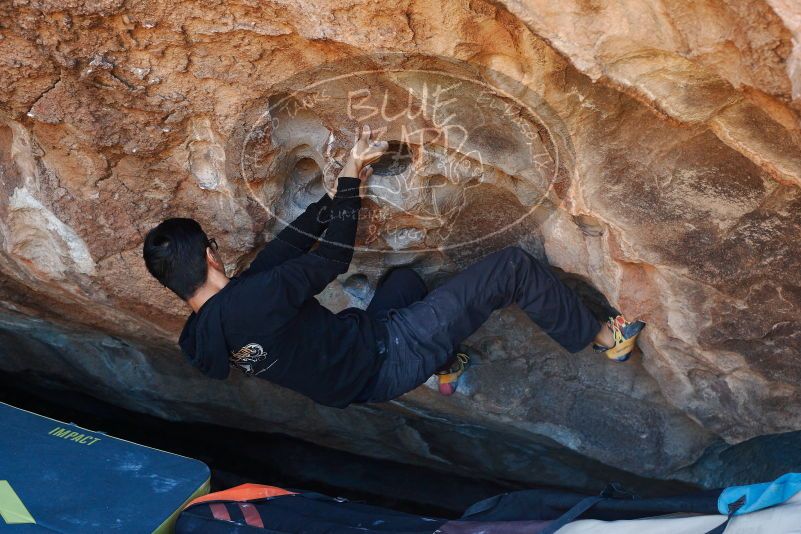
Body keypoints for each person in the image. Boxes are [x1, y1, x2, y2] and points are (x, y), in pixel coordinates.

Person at [143, 125, 645, 407]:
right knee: (511, 267)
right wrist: (351, 176)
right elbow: (335, 259)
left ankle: (446, 365)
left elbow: (285, 250)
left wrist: (334, 192)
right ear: (209, 254)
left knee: (403, 281)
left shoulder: (207, 332)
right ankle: (604, 337)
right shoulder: (252, 299)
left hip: (360, 370)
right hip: (391, 352)